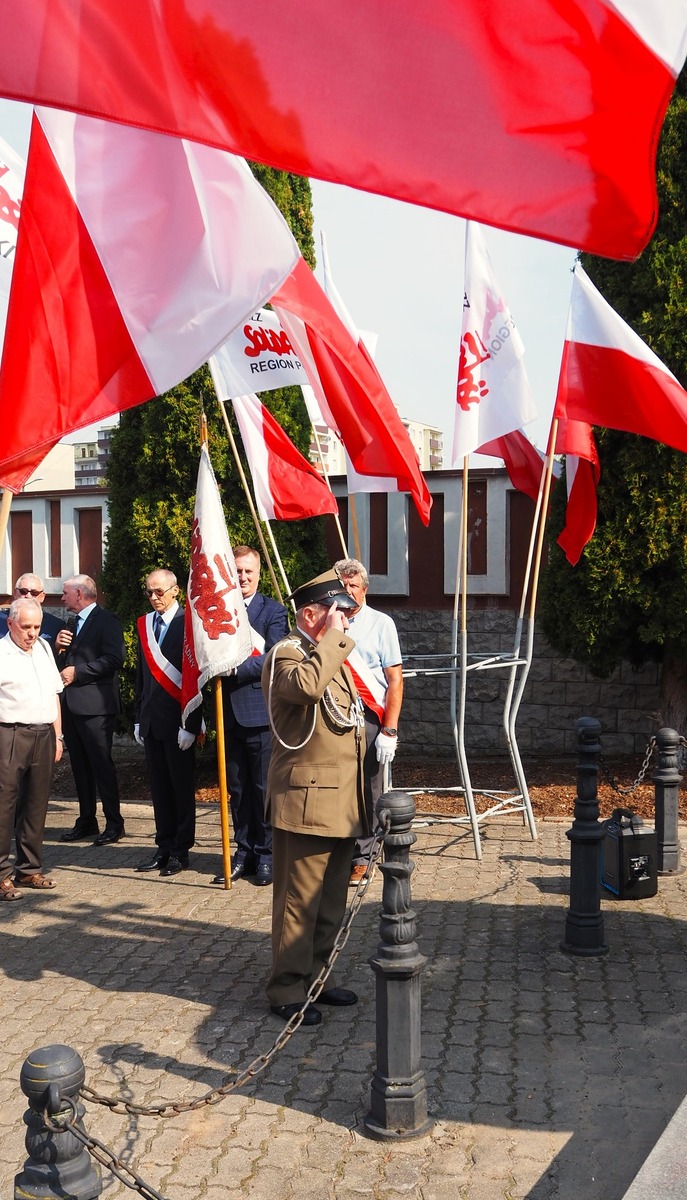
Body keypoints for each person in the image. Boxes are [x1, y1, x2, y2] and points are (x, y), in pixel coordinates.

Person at [262, 568, 365, 1026]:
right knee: (298, 903)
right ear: (311, 614)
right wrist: (333, 640)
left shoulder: (323, 654)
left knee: (331, 900)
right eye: (339, 611)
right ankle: (287, 987)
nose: (347, 620)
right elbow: (304, 688)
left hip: (341, 799)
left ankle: (317, 980)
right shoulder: (287, 654)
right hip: (304, 801)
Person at [217, 546, 289, 886]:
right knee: (237, 789)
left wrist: (232, 669)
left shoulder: (272, 612)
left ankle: (266, 854)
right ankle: (242, 851)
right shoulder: (218, 610)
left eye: (248, 571)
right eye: (238, 571)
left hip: (259, 714)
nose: (243, 577)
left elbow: (273, 659)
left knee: (262, 790)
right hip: (225, 713)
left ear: (258, 573)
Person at [333, 558, 403, 886]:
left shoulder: (381, 623)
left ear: (364, 589)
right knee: (339, 788)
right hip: (335, 717)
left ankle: (366, 856)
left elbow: (395, 680)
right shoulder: (329, 622)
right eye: (342, 586)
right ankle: (342, 852)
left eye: (353, 586)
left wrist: (390, 728)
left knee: (368, 790)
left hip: (370, 718)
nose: (347, 592)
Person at [134, 569, 203, 876]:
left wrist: (192, 724)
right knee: (160, 790)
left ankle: (180, 850)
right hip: (152, 722)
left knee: (180, 788)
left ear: (176, 591)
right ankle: (163, 846)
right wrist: (138, 718)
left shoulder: (190, 623)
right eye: (149, 592)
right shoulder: (145, 625)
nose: (153, 598)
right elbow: (141, 677)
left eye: (159, 592)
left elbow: (197, 677)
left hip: (179, 722)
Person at [0, 597, 64, 900]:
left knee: (36, 805)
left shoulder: (43, 648)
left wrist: (59, 735)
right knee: (4, 807)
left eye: (37, 626)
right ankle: (1, 875)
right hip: (9, 735)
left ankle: (29, 869)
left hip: (42, 734)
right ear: (11, 623)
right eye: (26, 627)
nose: (32, 633)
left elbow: (53, 691)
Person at [54, 575, 126, 845]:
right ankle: (87, 820)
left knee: (101, 765)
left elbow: (114, 658)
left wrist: (79, 672)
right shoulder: (71, 623)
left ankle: (114, 823)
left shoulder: (107, 621)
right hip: (72, 706)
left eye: (65, 593)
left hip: (96, 706)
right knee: (80, 767)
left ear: (80, 594)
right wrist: (59, 649)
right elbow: (67, 661)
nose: (62, 598)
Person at [0, 574, 66, 646]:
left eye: (34, 593)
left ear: (42, 597)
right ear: (15, 593)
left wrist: (56, 646)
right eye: (23, 591)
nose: (28, 596)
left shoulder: (55, 625)